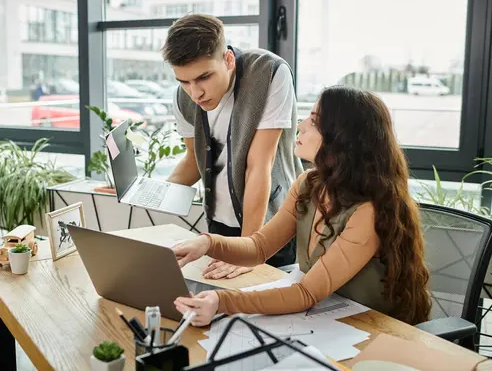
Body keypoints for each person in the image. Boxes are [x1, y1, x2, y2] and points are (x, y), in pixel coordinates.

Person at [172, 86, 432, 327]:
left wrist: (222, 302)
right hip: (328, 315)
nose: (300, 126)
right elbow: (259, 247)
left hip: (372, 328)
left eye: (315, 122)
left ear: (343, 140)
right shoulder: (309, 184)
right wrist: (207, 243)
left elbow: (306, 293)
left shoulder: (368, 211)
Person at [162, 14, 303, 279]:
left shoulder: (269, 72)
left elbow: (259, 166)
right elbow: (193, 160)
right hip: (218, 228)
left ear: (227, 59)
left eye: (204, 77)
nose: (195, 93)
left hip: (268, 229)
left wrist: (249, 250)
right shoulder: (184, 97)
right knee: (217, 310)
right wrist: (155, 192)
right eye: (184, 81)